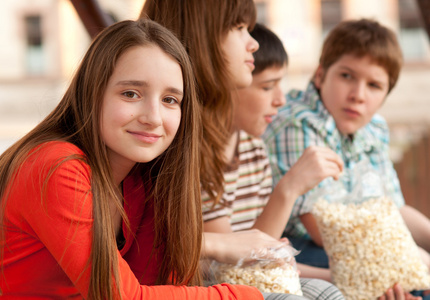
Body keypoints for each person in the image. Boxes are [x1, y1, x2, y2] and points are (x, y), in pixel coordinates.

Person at [0, 18, 264, 299]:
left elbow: (161, 285)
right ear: (93, 93)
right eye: (130, 94)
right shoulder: (54, 166)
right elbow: (122, 296)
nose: (153, 118)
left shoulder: (142, 177)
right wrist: (244, 296)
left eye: (170, 100)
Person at [141, 2, 344, 299]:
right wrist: (288, 190)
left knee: (327, 290)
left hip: (235, 276)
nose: (253, 43)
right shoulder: (186, 145)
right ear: (203, 41)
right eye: (238, 29)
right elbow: (233, 259)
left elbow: (255, 250)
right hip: (201, 284)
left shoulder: (251, 148)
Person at [262, 18, 429, 300]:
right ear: (320, 75)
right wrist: (412, 259)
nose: (358, 95)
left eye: (374, 85)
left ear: (386, 94)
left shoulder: (374, 128)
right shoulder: (297, 123)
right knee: (412, 281)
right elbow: (323, 231)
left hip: (364, 243)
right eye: (347, 76)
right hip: (301, 248)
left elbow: (391, 208)